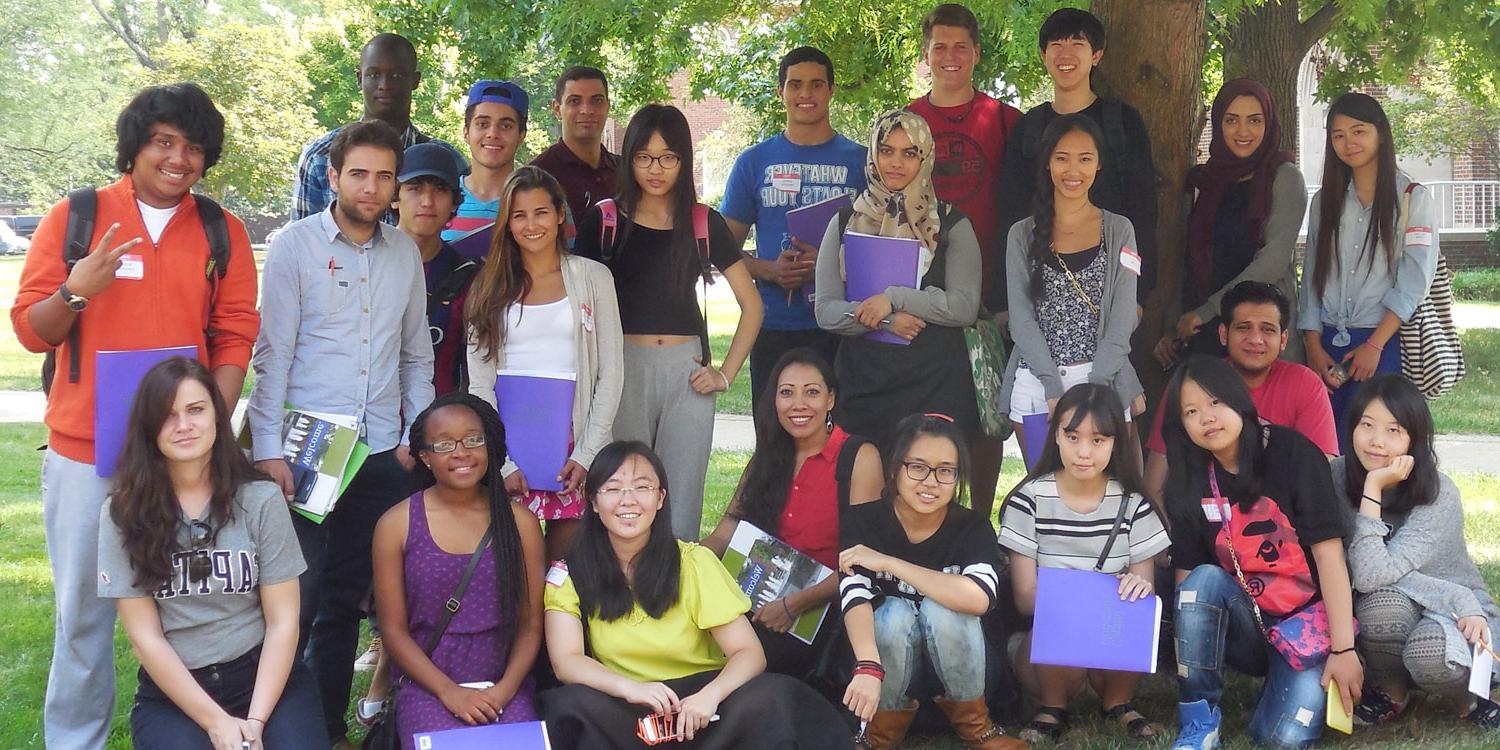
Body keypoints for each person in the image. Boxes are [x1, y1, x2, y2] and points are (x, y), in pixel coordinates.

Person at [10, 82, 259, 749]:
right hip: (85, 453)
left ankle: (206, 732)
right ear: (136, 146)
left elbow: (234, 334)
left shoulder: (221, 230)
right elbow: (33, 330)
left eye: (195, 147)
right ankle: (75, 741)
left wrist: (213, 422)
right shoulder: (78, 217)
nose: (179, 159)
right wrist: (74, 290)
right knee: (85, 618)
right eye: (164, 142)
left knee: (191, 611)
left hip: (182, 455)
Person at [249, 120, 435, 748]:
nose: (372, 186)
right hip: (307, 452)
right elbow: (273, 354)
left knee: (355, 600)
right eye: (359, 173)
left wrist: (415, 433)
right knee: (296, 598)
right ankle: (276, 724)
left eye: (385, 176)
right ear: (333, 176)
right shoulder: (294, 246)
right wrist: (267, 449)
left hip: (382, 451)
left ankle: (332, 726)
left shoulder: (404, 252)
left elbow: (415, 356)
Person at [540, 441, 851, 749]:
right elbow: (567, 662)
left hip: (703, 702)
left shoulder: (693, 562)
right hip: (625, 702)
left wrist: (710, 697)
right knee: (568, 704)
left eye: (642, 487)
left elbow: (748, 652)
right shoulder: (570, 572)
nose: (628, 500)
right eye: (613, 489)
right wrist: (631, 688)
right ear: (593, 501)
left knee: (774, 697)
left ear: (660, 498)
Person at [97, 358, 321, 749]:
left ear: (218, 416)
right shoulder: (122, 513)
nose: (183, 425)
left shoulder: (260, 499)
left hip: (263, 676)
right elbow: (146, 637)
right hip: (176, 690)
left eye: (195, 410)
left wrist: (255, 722)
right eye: (167, 416)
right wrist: (217, 723)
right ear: (149, 429)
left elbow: (284, 622)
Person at [573, 104, 763, 541]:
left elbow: (752, 306)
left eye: (667, 158)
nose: (655, 169)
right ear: (628, 159)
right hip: (621, 368)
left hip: (687, 372)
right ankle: (618, 597)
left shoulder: (702, 222)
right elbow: (577, 307)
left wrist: (725, 374)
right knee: (621, 493)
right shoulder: (603, 220)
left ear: (684, 160)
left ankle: (674, 597)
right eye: (643, 157)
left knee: (680, 501)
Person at [1161, 356, 1361, 750]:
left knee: (1284, 740)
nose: (1207, 418)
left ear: (1238, 399)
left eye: (1216, 402)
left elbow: (1329, 557)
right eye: (1192, 411)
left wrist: (1344, 650)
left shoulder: (1294, 454)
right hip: (1244, 622)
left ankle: (1286, 691)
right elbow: (1187, 579)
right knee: (1201, 580)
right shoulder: (1188, 473)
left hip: (1306, 627)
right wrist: (1189, 659)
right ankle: (1199, 720)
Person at [838, 413, 1026, 750]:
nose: (930, 481)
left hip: (965, 675)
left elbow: (978, 598)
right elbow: (854, 598)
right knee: (892, 614)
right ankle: (879, 734)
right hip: (884, 678)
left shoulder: (972, 528)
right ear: (895, 469)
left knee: (945, 609)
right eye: (918, 467)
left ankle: (978, 728)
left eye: (945, 471)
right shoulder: (863, 522)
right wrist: (867, 664)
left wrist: (892, 564)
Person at [466, 165, 624, 561]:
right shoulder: (489, 285)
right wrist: (500, 461)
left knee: (564, 570)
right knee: (512, 564)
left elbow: (611, 372)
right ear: (507, 222)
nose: (531, 224)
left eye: (541, 212)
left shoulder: (593, 278)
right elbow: (479, 383)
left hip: (573, 447)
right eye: (519, 215)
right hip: (507, 446)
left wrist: (586, 454)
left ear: (559, 215)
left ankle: (558, 626)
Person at [370, 393, 546, 747]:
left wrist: (505, 690)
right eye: (445, 444)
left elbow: (530, 623)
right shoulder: (396, 524)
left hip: (504, 681)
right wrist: (449, 692)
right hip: (429, 684)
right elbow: (394, 631)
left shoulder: (520, 522)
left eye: (473, 440)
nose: (461, 452)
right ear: (425, 457)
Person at [906, 1, 1024, 523]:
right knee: (929, 416)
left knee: (985, 417)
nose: (950, 57)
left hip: (991, 296)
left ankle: (977, 522)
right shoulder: (907, 122)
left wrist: (1013, 301)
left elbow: (1028, 211)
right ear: (926, 54)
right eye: (939, 48)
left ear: (976, 52)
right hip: (924, 293)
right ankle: (931, 523)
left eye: (960, 47)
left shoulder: (1006, 122)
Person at [999, 383, 1168, 743]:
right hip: (1048, 651)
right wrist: (1086, 597)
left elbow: (1145, 587)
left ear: (1115, 442)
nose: (1083, 452)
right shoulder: (1028, 500)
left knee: (1134, 605)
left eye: (1097, 440)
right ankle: (1052, 705)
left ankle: (1118, 702)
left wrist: (1137, 586)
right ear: (1055, 436)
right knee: (1064, 618)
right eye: (1072, 437)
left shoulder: (1135, 505)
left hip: (1111, 642)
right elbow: (1026, 598)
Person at [701, 348, 884, 678]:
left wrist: (793, 605)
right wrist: (684, 561)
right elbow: (729, 527)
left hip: (826, 609)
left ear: (830, 399)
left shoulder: (858, 456)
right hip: (758, 598)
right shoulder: (768, 455)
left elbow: (864, 560)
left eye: (811, 392)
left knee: (740, 657)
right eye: (787, 393)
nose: (798, 404)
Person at [1334, 375, 1500, 729]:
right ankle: (1391, 690)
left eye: (1394, 430)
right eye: (1367, 425)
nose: (1377, 441)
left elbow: (1371, 573)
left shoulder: (1439, 494)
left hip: (1453, 611)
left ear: (1415, 438)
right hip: (1387, 604)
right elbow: (1371, 580)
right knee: (1381, 603)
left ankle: (1469, 696)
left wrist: (1372, 489)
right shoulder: (1335, 476)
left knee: (1431, 657)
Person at [814, 110, 981, 449]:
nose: (895, 163)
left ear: (926, 157)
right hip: (863, 387)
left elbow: (964, 307)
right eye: (886, 150)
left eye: (910, 153)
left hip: (936, 386)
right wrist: (885, 320)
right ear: (873, 154)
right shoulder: (846, 220)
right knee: (862, 494)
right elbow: (826, 311)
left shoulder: (951, 224)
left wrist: (895, 297)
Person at [719, 46, 868, 421]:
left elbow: (884, 249)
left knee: (839, 440)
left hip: (842, 324)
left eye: (817, 84)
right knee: (775, 437)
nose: (806, 94)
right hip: (774, 324)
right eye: (796, 84)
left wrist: (832, 265)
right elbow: (722, 249)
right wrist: (770, 270)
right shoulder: (753, 162)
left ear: (831, 90)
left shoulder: (862, 162)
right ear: (780, 91)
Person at [1000, 114, 1144, 466]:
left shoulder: (1119, 229)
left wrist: (1095, 388)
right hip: (1038, 385)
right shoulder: (1021, 234)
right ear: (1047, 163)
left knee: (1112, 494)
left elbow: (1124, 316)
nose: (1073, 170)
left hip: (1104, 379)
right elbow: (1020, 320)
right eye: (1062, 158)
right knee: (1047, 493)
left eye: (1085, 159)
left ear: (1098, 165)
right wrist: (1052, 386)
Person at [1299, 93, 1440, 451]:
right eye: (1338, 135)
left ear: (1381, 133)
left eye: (1358, 131)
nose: (1349, 143)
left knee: (1375, 449)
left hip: (1381, 343)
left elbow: (1414, 280)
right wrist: (1313, 345)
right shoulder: (1324, 201)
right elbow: (1312, 273)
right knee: (1325, 449)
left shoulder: (1412, 198)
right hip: (1327, 345)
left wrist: (1375, 344)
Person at [997, 7, 1157, 309]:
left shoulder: (1122, 122)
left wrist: (1138, 294)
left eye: (1077, 45)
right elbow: (1010, 212)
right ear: (1044, 55)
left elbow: (1144, 211)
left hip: (1111, 284)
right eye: (1056, 45)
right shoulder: (1028, 127)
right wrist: (1005, 301)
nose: (1065, 54)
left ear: (1097, 55)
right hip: (1039, 285)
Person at [1154, 79, 1306, 368]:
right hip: (1206, 337)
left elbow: (1272, 263)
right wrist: (1173, 326)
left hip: (1261, 338)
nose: (1243, 131)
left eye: (1255, 120)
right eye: (1232, 120)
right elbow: (1191, 260)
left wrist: (1206, 311)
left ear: (1269, 123)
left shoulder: (1284, 178)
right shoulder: (1205, 181)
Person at [1144, 281, 1339, 503]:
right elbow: (1155, 485)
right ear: (1223, 334)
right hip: (1201, 524)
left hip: (1285, 525)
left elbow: (1322, 478)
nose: (1256, 339)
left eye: (1267, 329)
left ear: (1283, 340)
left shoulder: (1305, 384)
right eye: (1244, 327)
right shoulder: (1191, 385)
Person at [292, 33, 459, 222]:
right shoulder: (320, 156)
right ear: (359, 79)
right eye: (373, 75)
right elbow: (302, 240)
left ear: (415, 81)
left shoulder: (445, 159)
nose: (384, 85)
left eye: (397, 75)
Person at [396, 142, 482, 396]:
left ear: (455, 202)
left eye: (440, 190)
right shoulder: (364, 264)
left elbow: (474, 369)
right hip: (366, 422)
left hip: (439, 422)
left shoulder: (468, 276)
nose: (427, 201)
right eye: (414, 189)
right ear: (393, 197)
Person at [441, 79, 528, 250]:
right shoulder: (440, 199)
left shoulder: (543, 202)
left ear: (521, 135)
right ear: (466, 132)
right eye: (482, 124)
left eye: (506, 125)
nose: (493, 134)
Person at [530, 66, 618, 224]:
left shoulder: (627, 172)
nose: (586, 110)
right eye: (574, 101)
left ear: (607, 106)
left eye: (596, 101)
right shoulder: (537, 176)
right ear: (557, 109)